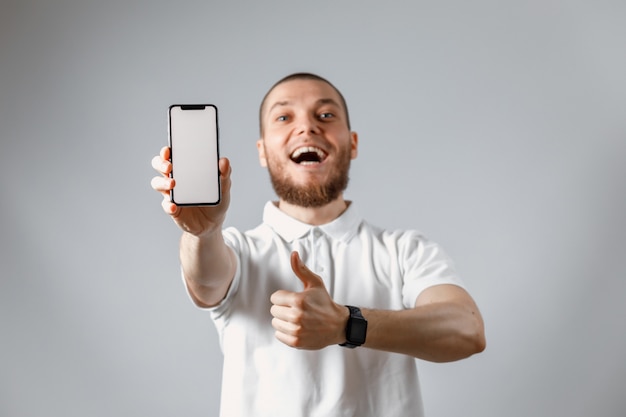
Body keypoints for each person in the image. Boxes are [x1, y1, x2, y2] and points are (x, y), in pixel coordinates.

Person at [151, 72, 486, 417]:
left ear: (352, 143)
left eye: (325, 115)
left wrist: (346, 324)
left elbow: (466, 329)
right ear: (263, 151)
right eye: (284, 117)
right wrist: (203, 233)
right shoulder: (238, 250)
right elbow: (206, 281)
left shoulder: (405, 250)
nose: (307, 128)